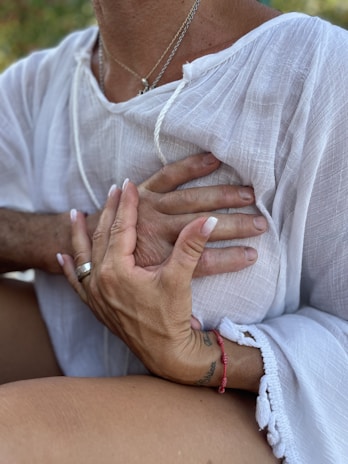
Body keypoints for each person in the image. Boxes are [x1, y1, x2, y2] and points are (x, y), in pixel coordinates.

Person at [0, 0, 347, 462]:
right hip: (77, 355)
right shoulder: (38, 86)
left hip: (257, 413)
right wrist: (83, 236)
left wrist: (203, 357)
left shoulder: (319, 74)